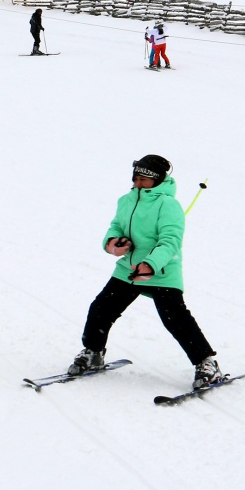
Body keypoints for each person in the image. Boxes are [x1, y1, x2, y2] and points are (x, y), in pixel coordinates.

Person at [67, 155, 222, 390]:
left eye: (144, 179)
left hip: (161, 271)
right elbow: (116, 226)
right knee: (101, 309)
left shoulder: (169, 205)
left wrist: (150, 264)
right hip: (128, 269)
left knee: (175, 319)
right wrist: (112, 242)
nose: (138, 183)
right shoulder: (126, 200)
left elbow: (170, 241)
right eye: (136, 178)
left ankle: (206, 363)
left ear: (158, 180)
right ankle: (93, 353)